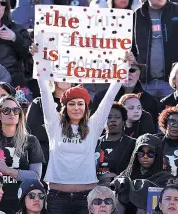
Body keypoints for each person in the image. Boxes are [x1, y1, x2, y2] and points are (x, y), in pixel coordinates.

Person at [30, 44, 135, 213]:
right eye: (72, 104)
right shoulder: (54, 124)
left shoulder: (93, 126)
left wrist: (125, 66)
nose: (76, 107)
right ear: (65, 107)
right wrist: (37, 59)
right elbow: (44, 90)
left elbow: (109, 98)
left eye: (80, 104)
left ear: (86, 108)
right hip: (57, 197)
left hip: (87, 198)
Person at [0, 96, 45, 214]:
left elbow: (36, 176)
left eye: (16, 110)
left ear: (20, 115)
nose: (12, 113)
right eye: (6, 110)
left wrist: (7, 170)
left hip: (21, 205)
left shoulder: (31, 141)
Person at [132, 0, 178, 99]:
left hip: (173, 83)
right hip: (145, 83)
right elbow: (132, 47)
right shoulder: (137, 14)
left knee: (173, 114)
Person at [112, 134, 173, 214]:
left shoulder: (166, 178)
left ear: (157, 155)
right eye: (141, 153)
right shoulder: (127, 174)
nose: (145, 157)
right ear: (135, 155)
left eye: (150, 153)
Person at [26, 81, 72, 179]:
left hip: (71, 162)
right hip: (45, 160)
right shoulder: (39, 102)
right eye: (61, 74)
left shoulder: (79, 105)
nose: (65, 78)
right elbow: (35, 130)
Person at [91, 58, 159, 124]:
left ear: (139, 74)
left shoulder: (150, 101)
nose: (127, 73)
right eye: (123, 70)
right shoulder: (101, 97)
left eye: (132, 70)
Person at [0, 0, 32, 87]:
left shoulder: (17, 29)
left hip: (11, 86)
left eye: (3, 3)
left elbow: (29, 54)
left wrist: (15, 38)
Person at [95, 102, 136, 186]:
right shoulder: (94, 143)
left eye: (117, 117)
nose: (113, 120)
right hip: (95, 189)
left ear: (124, 121)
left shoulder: (132, 144)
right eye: (109, 117)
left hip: (121, 190)